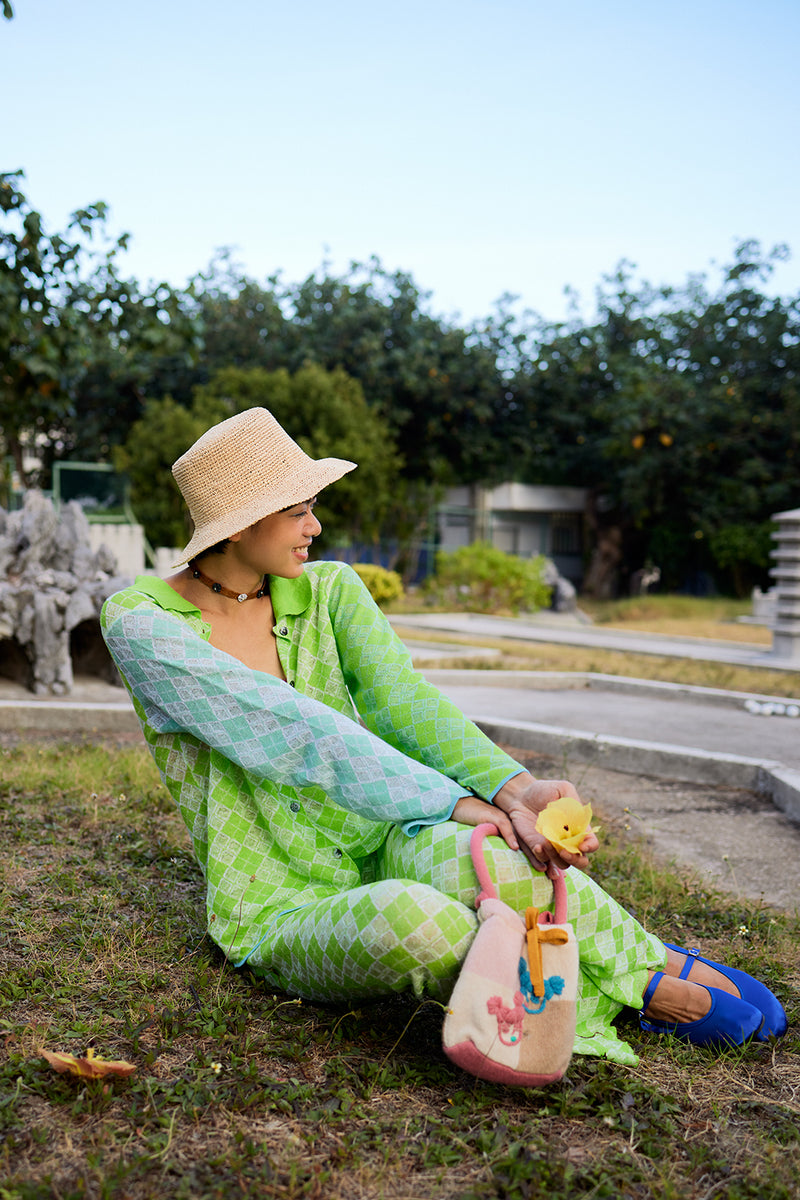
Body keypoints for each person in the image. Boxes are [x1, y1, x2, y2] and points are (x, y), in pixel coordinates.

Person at [101, 408, 787, 1067]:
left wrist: (515, 789)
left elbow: (406, 703)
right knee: (418, 921)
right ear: (242, 523)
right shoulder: (142, 625)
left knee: (491, 853)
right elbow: (295, 733)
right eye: (297, 509)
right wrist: (459, 802)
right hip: (278, 905)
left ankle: (647, 966)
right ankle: (612, 987)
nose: (316, 524)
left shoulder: (332, 592)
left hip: (384, 834)